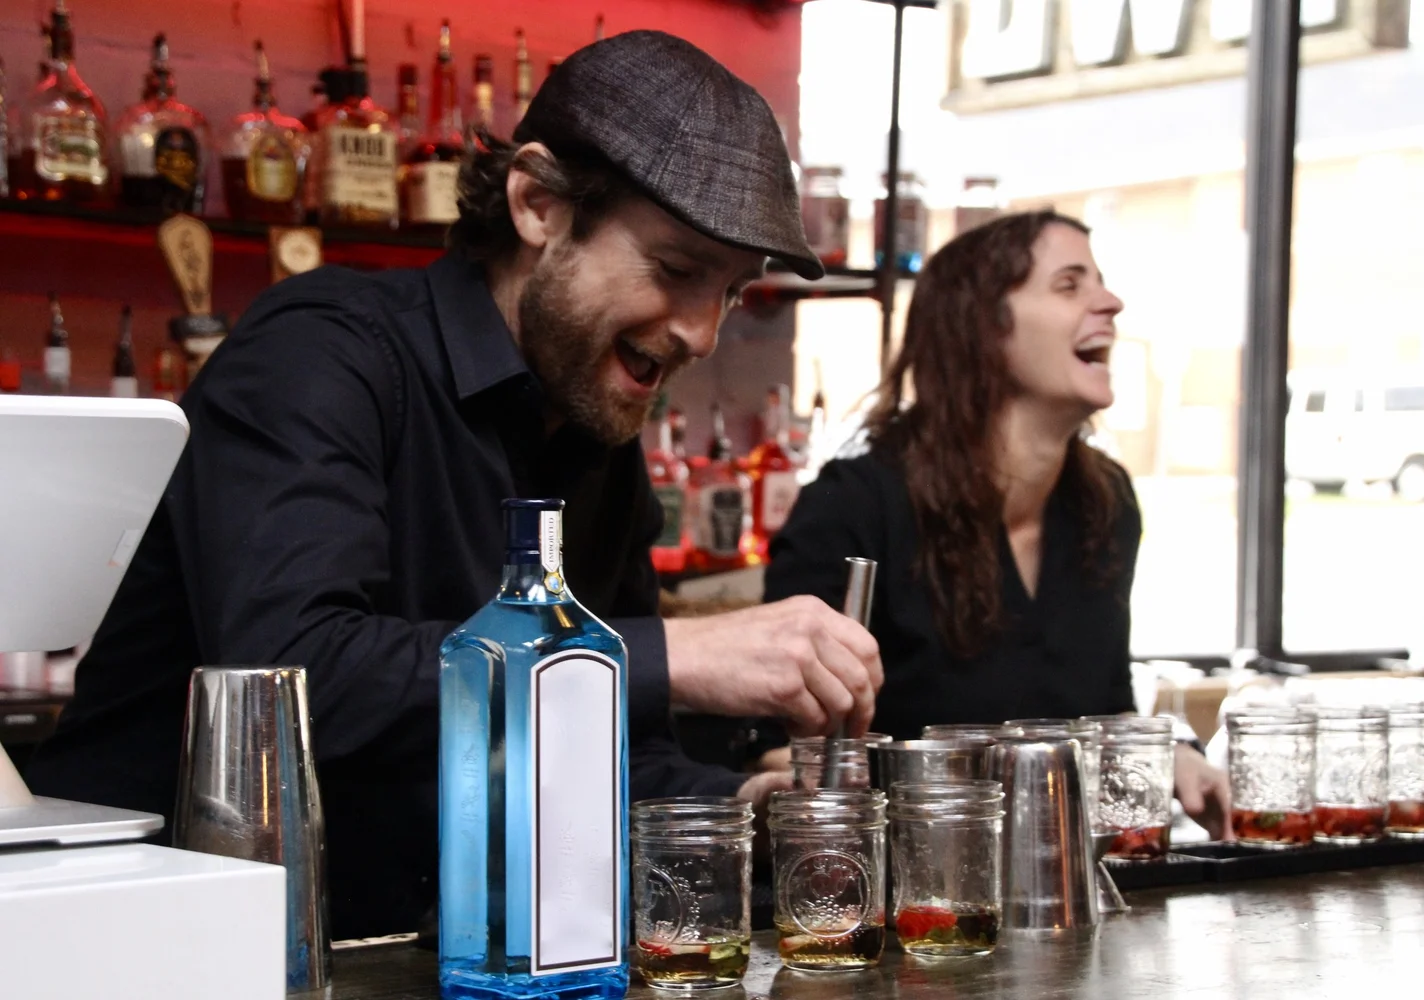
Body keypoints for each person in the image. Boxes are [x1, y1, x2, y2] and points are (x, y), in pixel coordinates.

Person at [24, 31, 882, 937]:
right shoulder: (322, 352)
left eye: (732, 293)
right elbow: (297, 676)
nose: (704, 335)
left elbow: (598, 756)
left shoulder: (595, 430)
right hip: (144, 939)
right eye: (675, 271)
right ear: (537, 204)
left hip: (409, 955)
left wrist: (745, 805)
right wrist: (673, 655)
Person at [761, 209, 1230, 838]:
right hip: (911, 880)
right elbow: (776, 748)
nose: (1111, 303)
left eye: (1100, 283)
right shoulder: (855, 506)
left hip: (1064, 871)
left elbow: (1105, 705)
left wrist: (1174, 755)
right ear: (984, 327)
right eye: (1070, 285)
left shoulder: (1105, 502)